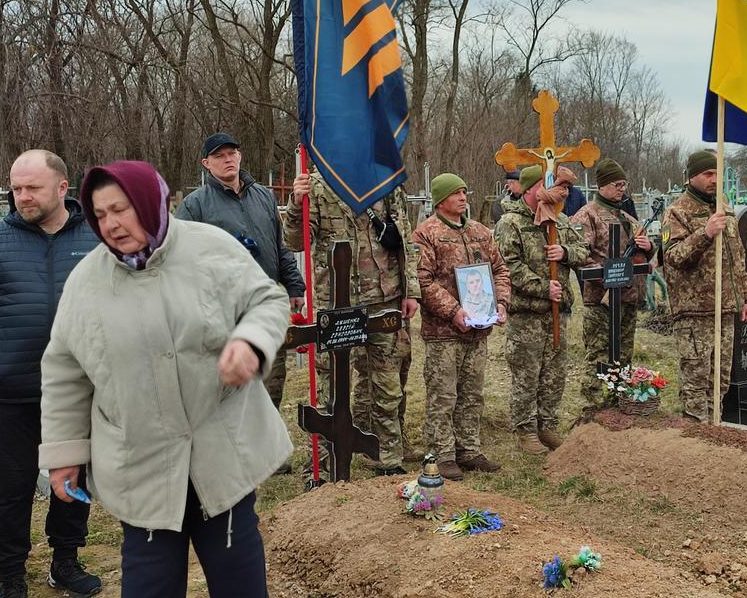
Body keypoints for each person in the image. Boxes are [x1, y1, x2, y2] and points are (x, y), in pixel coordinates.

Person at [39, 161, 291, 598]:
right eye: (100, 214)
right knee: (149, 587)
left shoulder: (210, 248)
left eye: (121, 209)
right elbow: (65, 371)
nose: (112, 224)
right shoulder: (87, 283)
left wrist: (251, 342)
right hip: (141, 465)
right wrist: (65, 454)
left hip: (222, 453)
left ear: (151, 202)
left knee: (240, 585)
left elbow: (267, 300)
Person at [0, 151, 102, 598]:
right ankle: (12, 576)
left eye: (32, 187)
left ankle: (66, 561)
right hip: (11, 391)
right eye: (16, 188)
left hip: (78, 391)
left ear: (62, 188)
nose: (22, 197)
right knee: (9, 490)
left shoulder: (96, 239)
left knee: (72, 483)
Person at [175, 133, 304, 461]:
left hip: (266, 303)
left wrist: (294, 287)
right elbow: (180, 259)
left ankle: (267, 450)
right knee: (235, 383)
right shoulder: (195, 205)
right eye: (219, 156)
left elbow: (280, 246)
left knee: (273, 376)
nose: (228, 159)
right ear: (206, 164)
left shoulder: (262, 196)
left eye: (233, 152)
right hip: (224, 309)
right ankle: (234, 452)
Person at [284, 171, 420, 475]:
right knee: (329, 387)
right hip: (336, 300)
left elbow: (403, 237)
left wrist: (412, 292)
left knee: (386, 386)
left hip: (384, 297)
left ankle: (385, 457)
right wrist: (296, 202)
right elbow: (296, 241)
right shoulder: (318, 184)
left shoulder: (384, 178)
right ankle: (322, 463)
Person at [411, 174, 510, 480]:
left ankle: (469, 449)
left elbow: (500, 269)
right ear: (441, 200)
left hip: (478, 330)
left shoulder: (480, 231)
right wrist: (453, 310)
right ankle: (442, 453)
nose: (464, 197)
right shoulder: (426, 234)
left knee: (472, 392)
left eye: (465, 191)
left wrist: (502, 303)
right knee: (443, 394)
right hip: (444, 332)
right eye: (456, 193)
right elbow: (423, 280)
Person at [495, 165, 589, 454]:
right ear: (531, 189)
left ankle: (547, 424)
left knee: (554, 373)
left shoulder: (559, 219)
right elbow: (508, 266)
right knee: (527, 373)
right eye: (547, 185)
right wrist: (542, 287)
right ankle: (525, 430)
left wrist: (565, 253)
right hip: (528, 315)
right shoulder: (511, 223)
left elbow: (584, 250)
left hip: (557, 314)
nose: (556, 191)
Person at [662, 150, 747, 423]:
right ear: (692, 176)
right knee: (696, 380)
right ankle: (696, 436)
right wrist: (705, 233)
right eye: (707, 174)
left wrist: (745, 298)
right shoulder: (677, 212)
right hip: (694, 312)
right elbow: (673, 257)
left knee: (720, 380)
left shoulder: (723, 205)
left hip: (725, 308)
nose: (714, 179)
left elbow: (737, 255)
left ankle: (716, 431)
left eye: (717, 173)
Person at [570, 159, 653, 417]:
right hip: (600, 299)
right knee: (598, 355)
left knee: (624, 355)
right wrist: (608, 277)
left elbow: (644, 260)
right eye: (617, 184)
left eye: (624, 185)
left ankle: (621, 404)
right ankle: (592, 410)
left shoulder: (629, 217)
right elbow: (579, 255)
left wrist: (649, 247)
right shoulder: (586, 215)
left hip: (628, 298)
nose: (622, 189)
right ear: (602, 185)